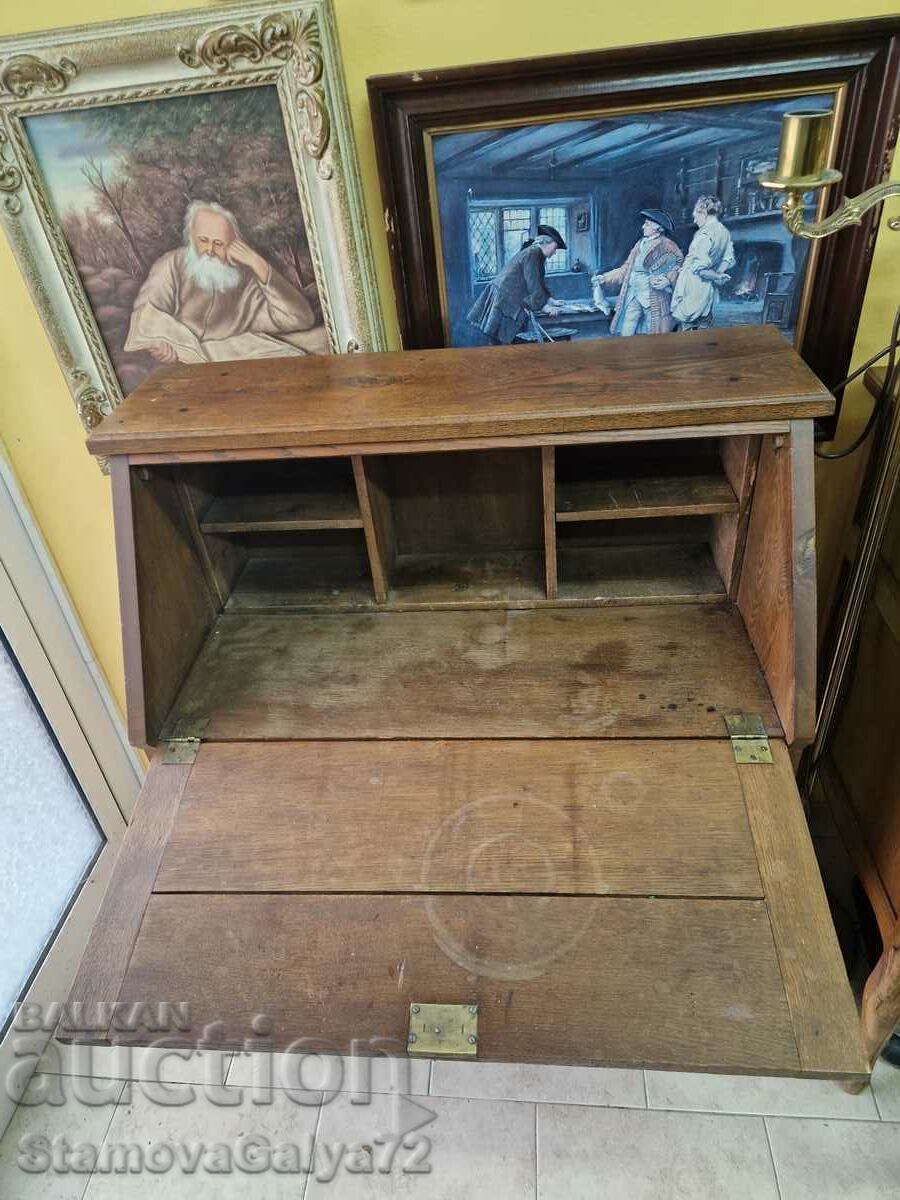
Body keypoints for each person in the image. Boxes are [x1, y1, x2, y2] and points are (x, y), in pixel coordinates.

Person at [124, 200, 324, 364]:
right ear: (191, 238)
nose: (209, 250)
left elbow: (299, 318)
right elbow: (148, 314)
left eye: (218, 243)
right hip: (184, 364)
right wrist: (159, 342)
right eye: (203, 240)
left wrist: (260, 266)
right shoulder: (172, 264)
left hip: (236, 359)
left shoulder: (243, 277)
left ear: (233, 245)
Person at [467, 224, 566, 345]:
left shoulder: (537, 254)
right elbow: (533, 283)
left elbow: (539, 281)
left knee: (502, 342)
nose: (555, 252)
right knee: (500, 343)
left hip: (507, 296)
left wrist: (550, 300)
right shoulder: (533, 253)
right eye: (555, 248)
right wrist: (544, 307)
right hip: (505, 298)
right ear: (546, 243)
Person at [593, 209, 683, 337]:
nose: (643, 227)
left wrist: (668, 280)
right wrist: (605, 278)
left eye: (647, 224)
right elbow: (626, 268)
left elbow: (679, 266)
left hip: (653, 296)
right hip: (632, 293)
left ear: (658, 228)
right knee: (627, 328)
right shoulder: (640, 243)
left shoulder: (667, 244)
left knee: (654, 331)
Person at [671, 195, 736, 330]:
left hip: (694, 286)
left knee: (688, 326)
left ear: (703, 212)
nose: (695, 220)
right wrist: (718, 273)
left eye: (696, 215)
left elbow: (700, 268)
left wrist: (717, 276)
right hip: (707, 288)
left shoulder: (704, 235)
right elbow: (728, 258)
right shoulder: (724, 232)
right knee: (703, 323)